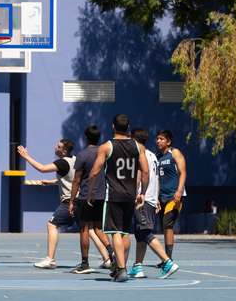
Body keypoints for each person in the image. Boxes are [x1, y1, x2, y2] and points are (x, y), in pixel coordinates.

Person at [88, 114, 149, 282]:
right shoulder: (138, 147)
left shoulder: (106, 147)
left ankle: (121, 269)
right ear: (128, 127)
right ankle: (121, 266)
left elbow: (94, 171)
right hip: (130, 194)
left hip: (113, 194)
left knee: (115, 231)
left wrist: (91, 191)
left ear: (113, 126)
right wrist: (142, 192)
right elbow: (145, 171)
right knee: (125, 233)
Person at [16, 139, 76, 269]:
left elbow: (42, 168)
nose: (55, 147)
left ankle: (50, 259)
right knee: (91, 229)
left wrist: (26, 156)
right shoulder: (74, 160)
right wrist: (52, 182)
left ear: (64, 150)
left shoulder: (62, 163)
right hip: (81, 200)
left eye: (58, 146)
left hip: (69, 201)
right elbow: (70, 179)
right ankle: (108, 258)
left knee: (52, 224)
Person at [128, 128, 179, 279]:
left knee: (145, 232)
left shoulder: (140, 155)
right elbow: (156, 179)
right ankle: (138, 266)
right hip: (150, 199)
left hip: (142, 199)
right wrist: (156, 198)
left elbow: (140, 175)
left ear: (134, 140)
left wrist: (137, 195)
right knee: (140, 234)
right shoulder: (153, 156)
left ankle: (167, 262)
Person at [69, 125, 113, 274]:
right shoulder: (105, 153)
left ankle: (85, 263)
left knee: (84, 229)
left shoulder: (82, 155)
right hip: (101, 194)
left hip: (86, 195)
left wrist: (71, 200)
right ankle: (111, 252)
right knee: (99, 228)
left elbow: (76, 180)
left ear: (86, 138)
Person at [156, 130, 187, 266]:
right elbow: (156, 179)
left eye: (161, 139)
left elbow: (183, 172)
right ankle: (166, 258)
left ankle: (168, 259)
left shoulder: (175, 153)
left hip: (174, 196)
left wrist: (179, 190)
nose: (158, 141)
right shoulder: (158, 157)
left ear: (168, 141)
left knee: (167, 224)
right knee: (164, 226)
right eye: (157, 139)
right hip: (162, 197)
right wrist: (156, 197)